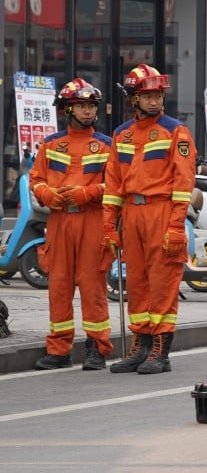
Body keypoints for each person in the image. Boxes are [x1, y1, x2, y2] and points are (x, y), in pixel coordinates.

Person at [102, 64, 196, 375]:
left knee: (163, 283)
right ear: (133, 99)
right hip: (132, 214)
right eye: (148, 95)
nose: (155, 101)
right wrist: (108, 227)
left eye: (158, 95)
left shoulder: (175, 131)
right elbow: (113, 184)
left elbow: (183, 184)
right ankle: (140, 346)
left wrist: (175, 225)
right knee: (138, 283)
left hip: (162, 211)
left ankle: (161, 349)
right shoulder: (121, 134)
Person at [30, 79, 113, 370]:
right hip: (59, 219)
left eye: (91, 106)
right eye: (81, 105)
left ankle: (96, 348)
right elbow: (36, 179)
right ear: (68, 109)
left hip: (91, 219)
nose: (88, 111)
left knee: (93, 286)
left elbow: (117, 185)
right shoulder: (51, 144)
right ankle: (59, 349)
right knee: (59, 284)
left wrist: (88, 193)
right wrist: (45, 194)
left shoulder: (106, 145)